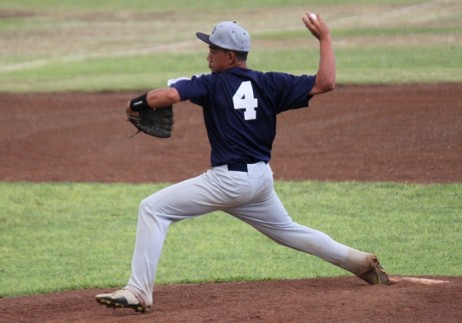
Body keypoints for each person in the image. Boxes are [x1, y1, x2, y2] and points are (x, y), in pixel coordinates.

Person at [95, 12, 390, 313]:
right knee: (289, 230)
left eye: (213, 50)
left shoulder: (211, 84)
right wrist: (325, 38)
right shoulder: (270, 83)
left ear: (231, 56)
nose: (208, 55)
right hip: (260, 181)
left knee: (152, 208)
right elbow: (326, 82)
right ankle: (361, 262)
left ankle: (138, 291)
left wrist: (135, 104)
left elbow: (168, 95)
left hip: (227, 182)